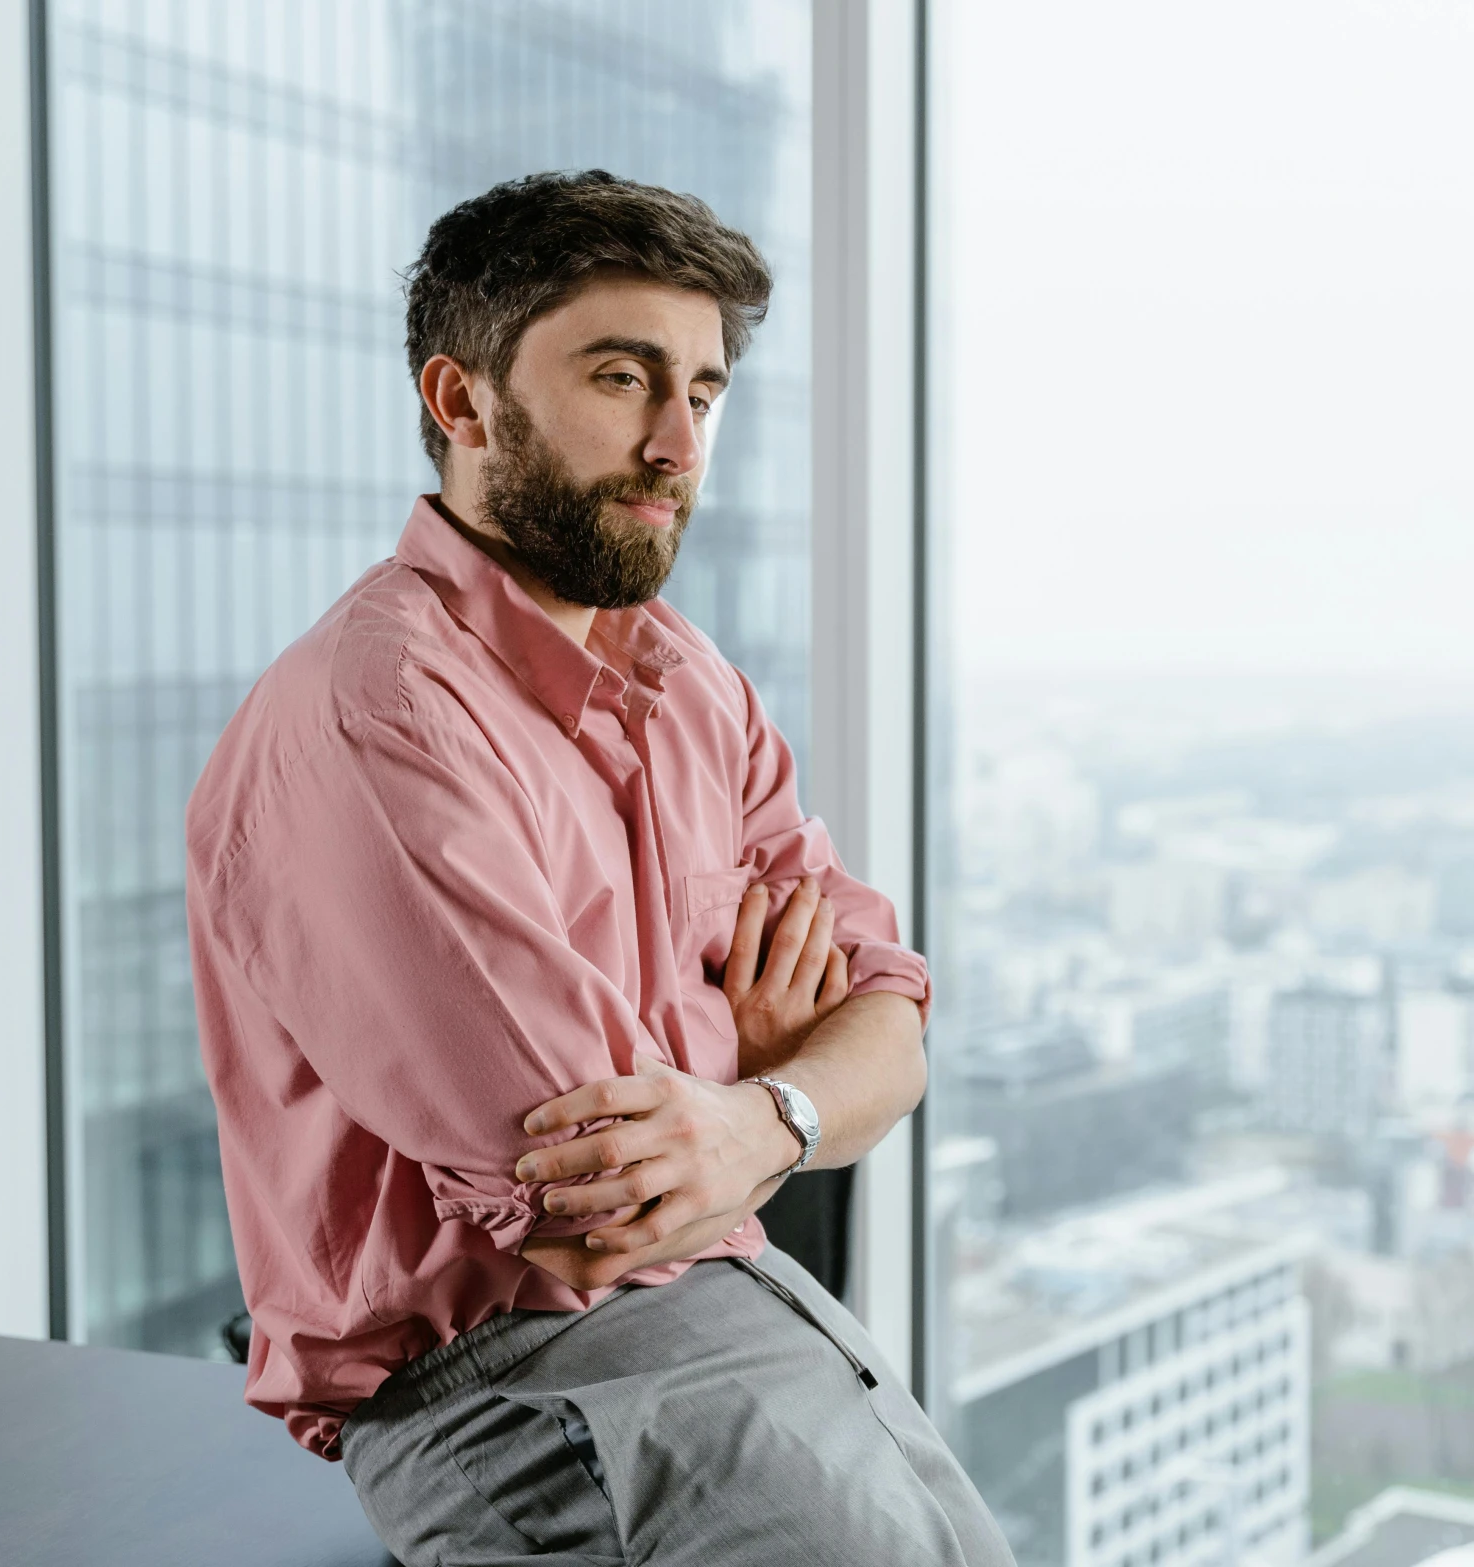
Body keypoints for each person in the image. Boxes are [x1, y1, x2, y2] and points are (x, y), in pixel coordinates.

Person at [187, 170, 1011, 1565]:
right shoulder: (375, 715)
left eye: (701, 391)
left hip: (758, 1317)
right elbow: (589, 1209)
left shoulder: (690, 688)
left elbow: (893, 1021)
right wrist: (777, 1074)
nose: (676, 442)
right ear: (463, 403)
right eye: (623, 378)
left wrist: (755, 1120)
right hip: (525, 1395)